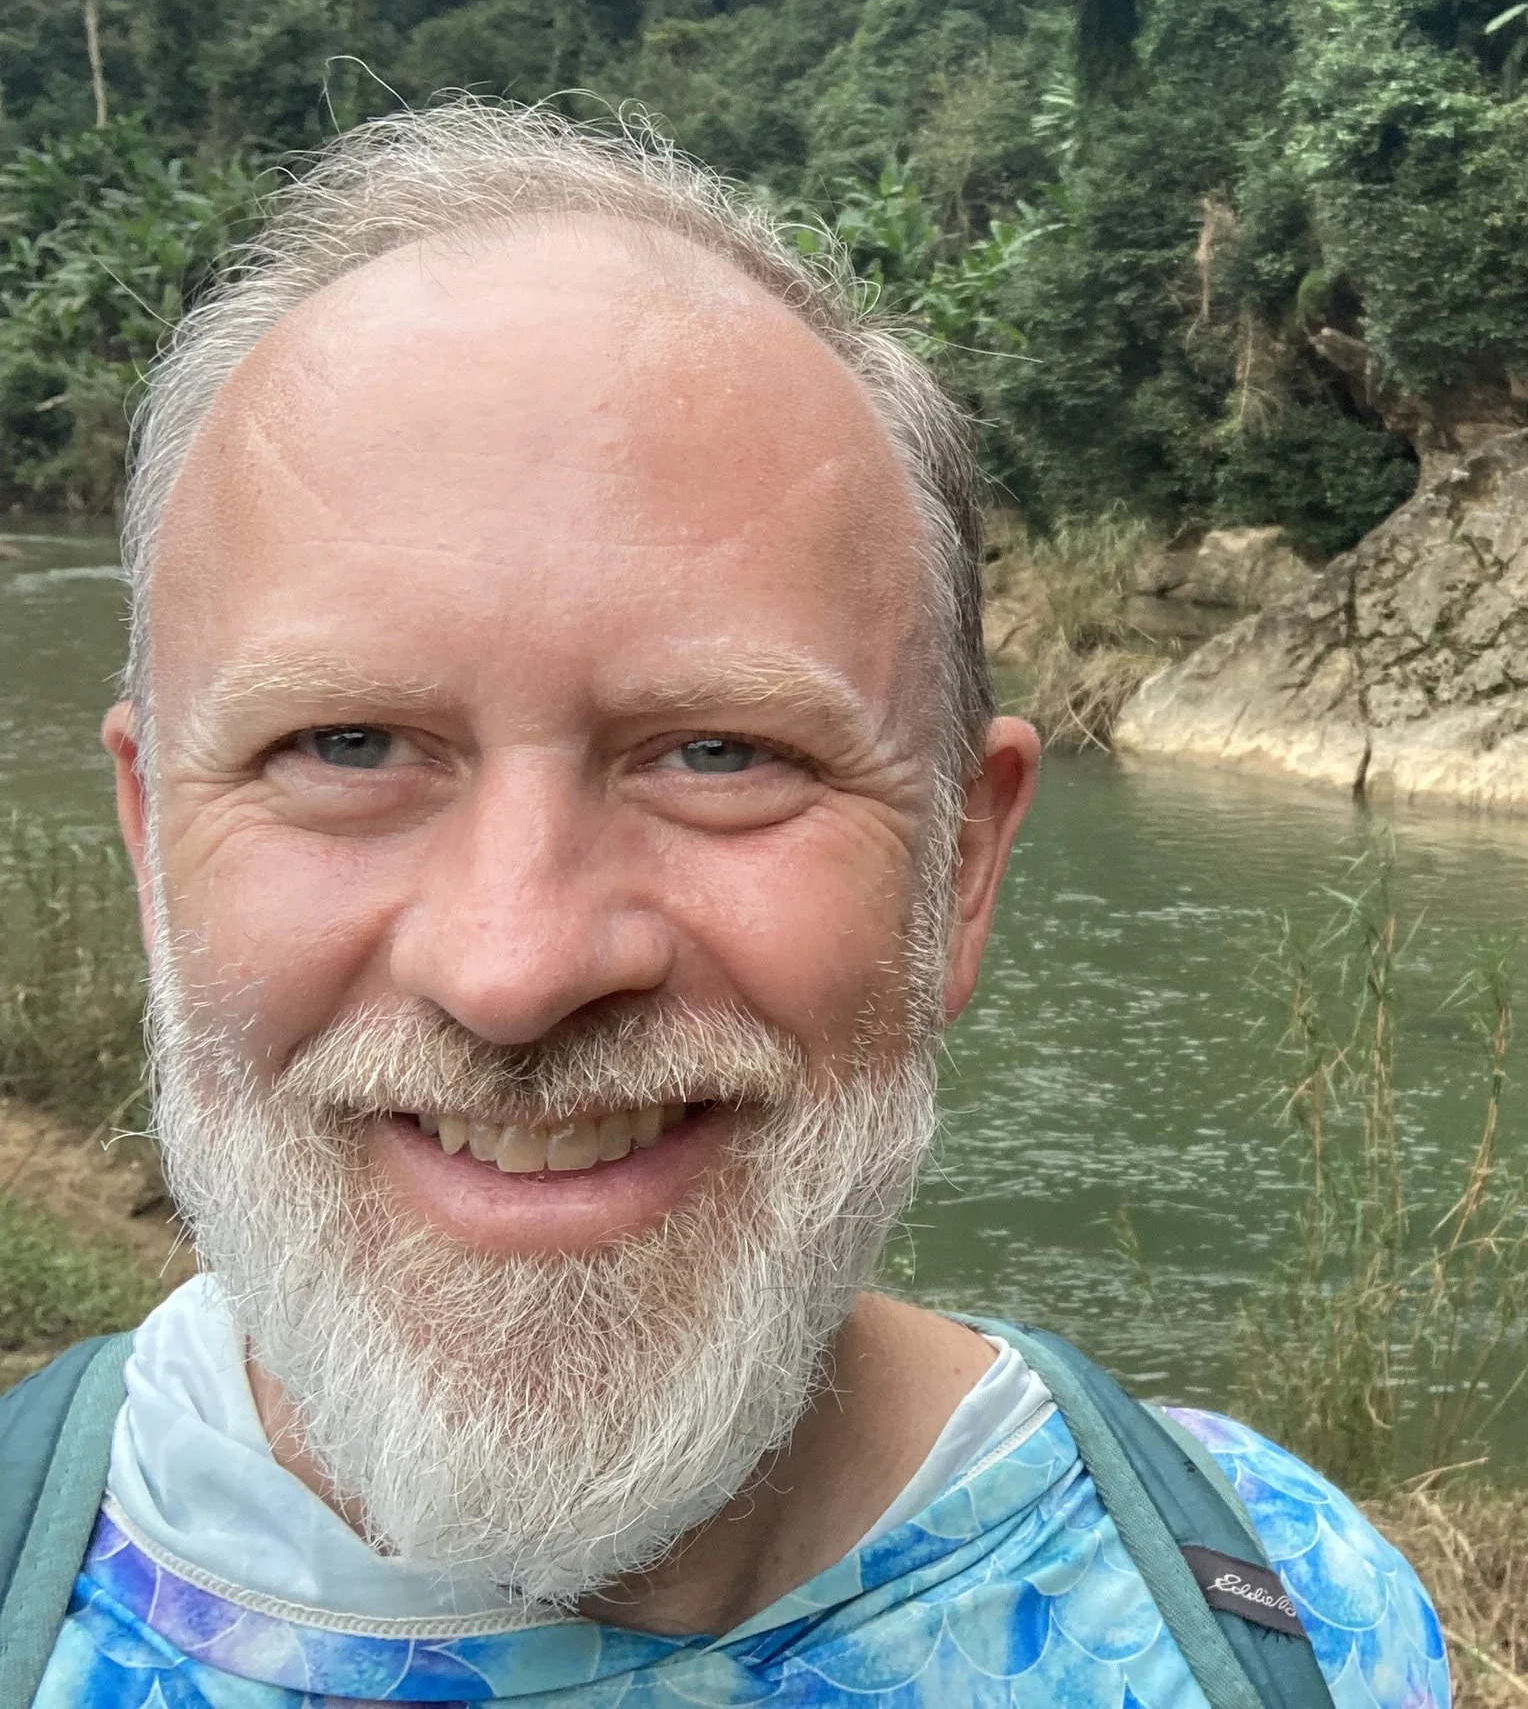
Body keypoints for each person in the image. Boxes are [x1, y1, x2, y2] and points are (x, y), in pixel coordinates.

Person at [4, 101, 1447, 1707]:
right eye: (344, 745)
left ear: (963, 862)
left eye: (720, 752)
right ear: (152, 844)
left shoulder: (1277, 1619)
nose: (515, 964)